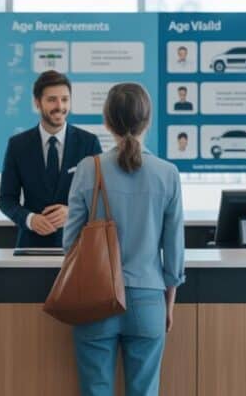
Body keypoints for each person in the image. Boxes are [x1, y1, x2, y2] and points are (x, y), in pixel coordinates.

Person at [64, 83, 185, 396]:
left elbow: (70, 244)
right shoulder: (168, 173)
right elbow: (174, 256)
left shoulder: (87, 170)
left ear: (106, 121)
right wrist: (167, 305)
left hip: (95, 299)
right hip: (148, 300)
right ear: (147, 121)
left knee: (95, 390)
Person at [0, 70, 102, 248]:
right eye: (52, 99)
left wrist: (72, 212)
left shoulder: (88, 143)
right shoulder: (18, 145)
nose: (60, 106)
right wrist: (30, 219)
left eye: (65, 99)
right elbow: (6, 199)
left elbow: (100, 196)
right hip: (31, 247)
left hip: (78, 247)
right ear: (37, 102)